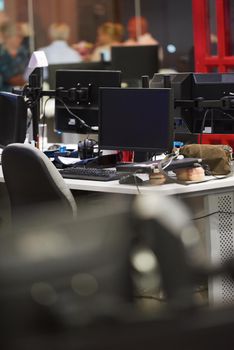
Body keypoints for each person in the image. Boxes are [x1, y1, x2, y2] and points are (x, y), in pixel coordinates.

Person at [0, 22, 28, 92]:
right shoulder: (2, 54)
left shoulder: (24, 53)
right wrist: (28, 82)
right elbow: (9, 78)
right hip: (5, 96)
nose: (21, 38)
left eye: (22, 35)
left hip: (24, 94)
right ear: (8, 37)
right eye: (18, 35)